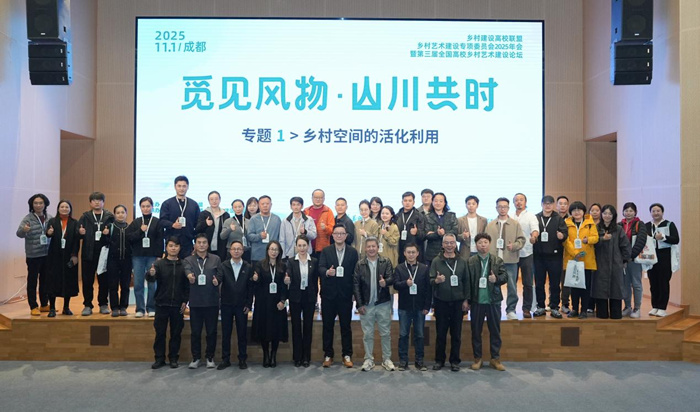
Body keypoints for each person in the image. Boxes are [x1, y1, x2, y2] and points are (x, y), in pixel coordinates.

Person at [318, 225, 359, 368]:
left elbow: (356, 274)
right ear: (333, 235)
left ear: (346, 236)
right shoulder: (326, 251)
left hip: (345, 295)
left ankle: (347, 355)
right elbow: (320, 268)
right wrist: (327, 272)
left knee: (345, 326)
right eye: (337, 233)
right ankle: (328, 355)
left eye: (342, 233)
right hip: (328, 295)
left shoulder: (353, 252)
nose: (339, 236)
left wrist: (354, 294)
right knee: (327, 326)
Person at [467, 233, 508, 372]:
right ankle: (477, 359)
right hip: (477, 301)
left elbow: (505, 277)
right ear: (476, 245)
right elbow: (467, 282)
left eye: (485, 242)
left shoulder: (497, 260)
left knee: (495, 331)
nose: (482, 245)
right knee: (476, 331)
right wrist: (467, 300)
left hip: (493, 301)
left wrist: (496, 279)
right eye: (480, 243)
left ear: (489, 244)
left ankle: (495, 359)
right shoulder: (471, 261)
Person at [354, 237, 395, 371]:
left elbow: (391, 277)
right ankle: (368, 360)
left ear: (378, 248)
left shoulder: (386, 261)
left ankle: (387, 359)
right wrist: (359, 304)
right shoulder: (360, 264)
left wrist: (385, 282)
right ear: (365, 249)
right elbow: (356, 285)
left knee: (385, 333)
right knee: (368, 335)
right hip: (366, 305)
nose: (371, 249)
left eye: (373, 246)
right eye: (369, 246)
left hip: (383, 303)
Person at [430, 233, 470, 371]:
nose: (449, 245)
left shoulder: (462, 261)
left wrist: (466, 300)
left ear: (455, 244)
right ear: (442, 245)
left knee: (456, 334)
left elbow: (466, 282)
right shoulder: (436, 261)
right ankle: (439, 360)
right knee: (441, 334)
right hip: (441, 301)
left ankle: (455, 361)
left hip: (458, 303)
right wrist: (436, 280)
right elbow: (430, 280)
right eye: (446, 243)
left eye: (452, 243)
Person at [148, 237, 189, 369]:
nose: (173, 248)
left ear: (180, 248)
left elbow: (187, 286)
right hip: (161, 304)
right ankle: (159, 358)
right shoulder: (159, 264)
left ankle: (173, 358)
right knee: (160, 333)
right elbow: (151, 278)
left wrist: (185, 300)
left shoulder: (184, 264)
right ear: (166, 247)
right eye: (171, 246)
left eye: (176, 246)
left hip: (178, 305)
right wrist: (151, 274)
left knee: (176, 333)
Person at [183, 234, 221, 369]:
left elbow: (220, 274)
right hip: (196, 302)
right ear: (195, 245)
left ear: (208, 244)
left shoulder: (216, 259)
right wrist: (189, 276)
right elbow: (187, 270)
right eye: (199, 242)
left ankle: (210, 357)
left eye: (204, 242)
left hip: (212, 301)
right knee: (195, 332)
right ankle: (196, 357)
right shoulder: (188, 260)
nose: (201, 245)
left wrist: (218, 281)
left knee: (211, 332)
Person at [485, 197, 525, 320]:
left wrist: (514, 246)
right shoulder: (490, 225)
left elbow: (521, 240)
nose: (502, 209)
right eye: (500, 207)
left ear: (508, 208)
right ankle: (493, 309)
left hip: (510, 260)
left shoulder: (515, 224)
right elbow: (485, 241)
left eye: (505, 207)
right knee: (492, 285)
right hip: (494, 261)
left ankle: (511, 310)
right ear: (496, 208)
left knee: (512, 286)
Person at [392, 243, 431, 371]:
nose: (411, 255)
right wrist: (405, 283)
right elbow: (396, 285)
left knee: (419, 335)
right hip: (404, 307)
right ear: (404, 253)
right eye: (408, 252)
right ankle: (403, 361)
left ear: (418, 253)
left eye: (413, 252)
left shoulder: (424, 268)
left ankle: (419, 361)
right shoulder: (399, 268)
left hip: (420, 307)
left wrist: (427, 306)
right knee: (403, 335)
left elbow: (428, 289)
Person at [217, 241, 254, 370]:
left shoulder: (248, 267)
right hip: (226, 305)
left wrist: (249, 304)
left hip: (242, 305)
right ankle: (225, 359)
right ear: (230, 251)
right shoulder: (224, 265)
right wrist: (216, 281)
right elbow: (219, 281)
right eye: (234, 249)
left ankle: (242, 359)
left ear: (243, 251)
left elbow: (250, 288)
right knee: (226, 333)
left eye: (239, 249)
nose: (236, 251)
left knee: (242, 334)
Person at [251, 241, 288, 367]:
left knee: (276, 330)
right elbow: (256, 284)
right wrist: (255, 279)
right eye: (271, 249)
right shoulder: (260, 265)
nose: (273, 252)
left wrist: (283, 301)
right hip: (263, 302)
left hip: (277, 303)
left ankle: (273, 355)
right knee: (264, 329)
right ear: (267, 250)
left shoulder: (283, 266)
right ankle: (266, 354)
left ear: (279, 252)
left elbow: (284, 286)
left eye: (276, 249)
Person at [126, 197, 164, 318]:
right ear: (140, 208)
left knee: (153, 283)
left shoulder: (157, 222)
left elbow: (160, 240)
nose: (146, 208)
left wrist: (159, 256)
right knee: (138, 284)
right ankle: (140, 309)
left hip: (152, 257)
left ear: (152, 207)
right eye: (143, 206)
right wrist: (140, 231)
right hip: (138, 257)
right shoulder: (136, 222)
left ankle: (151, 307)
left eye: (148, 206)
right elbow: (129, 238)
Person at [78, 192, 114, 316]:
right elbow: (77, 234)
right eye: (94, 200)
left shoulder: (109, 217)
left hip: (104, 254)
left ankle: (103, 304)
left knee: (104, 281)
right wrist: (80, 232)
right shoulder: (85, 217)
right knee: (87, 281)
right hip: (88, 253)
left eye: (99, 200)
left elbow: (115, 234)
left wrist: (108, 233)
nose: (97, 202)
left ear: (103, 202)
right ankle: (87, 305)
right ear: (90, 203)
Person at [16, 193, 51, 316]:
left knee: (45, 281)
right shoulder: (28, 219)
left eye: (41, 203)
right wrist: (24, 230)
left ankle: (44, 304)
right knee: (32, 281)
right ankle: (33, 306)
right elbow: (19, 234)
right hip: (33, 255)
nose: (38, 205)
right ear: (32, 205)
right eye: (35, 203)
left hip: (47, 254)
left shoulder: (49, 218)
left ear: (45, 204)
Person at [286, 235, 319, 367]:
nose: (302, 248)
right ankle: (297, 357)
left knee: (308, 327)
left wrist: (316, 297)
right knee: (296, 327)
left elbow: (316, 281)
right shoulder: (291, 261)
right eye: (299, 245)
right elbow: (288, 275)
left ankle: (306, 357)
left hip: (309, 298)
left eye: (304, 245)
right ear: (296, 247)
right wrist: (286, 280)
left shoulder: (314, 261)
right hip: (295, 298)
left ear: (308, 246)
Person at [533, 195, 568, 318]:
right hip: (539, 256)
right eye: (545, 203)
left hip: (555, 257)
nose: (547, 206)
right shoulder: (536, 218)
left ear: (553, 205)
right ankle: (540, 306)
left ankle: (554, 307)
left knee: (555, 284)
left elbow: (565, 233)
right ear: (541, 204)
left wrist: (562, 236)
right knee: (539, 283)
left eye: (550, 203)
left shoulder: (558, 219)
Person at [563, 201, 599, 319]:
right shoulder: (567, 223)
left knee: (585, 286)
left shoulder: (590, 223)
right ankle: (574, 309)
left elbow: (596, 237)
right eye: (574, 210)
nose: (577, 212)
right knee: (573, 287)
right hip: (573, 259)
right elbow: (566, 241)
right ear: (571, 212)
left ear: (584, 211)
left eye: (579, 210)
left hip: (587, 260)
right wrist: (575, 253)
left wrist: (588, 240)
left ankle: (584, 310)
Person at [594, 205, 631, 319]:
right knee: (600, 288)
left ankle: (615, 313)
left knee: (616, 288)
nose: (607, 216)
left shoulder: (618, 229)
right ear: (601, 215)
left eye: (610, 214)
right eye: (605, 213)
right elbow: (592, 243)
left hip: (616, 264)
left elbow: (625, 246)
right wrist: (602, 239)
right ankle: (602, 313)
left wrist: (624, 260)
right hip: (600, 263)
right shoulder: (596, 228)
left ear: (613, 215)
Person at [45, 200, 80, 317]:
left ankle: (66, 307)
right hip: (54, 256)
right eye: (62, 207)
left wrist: (74, 255)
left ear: (70, 209)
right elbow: (47, 234)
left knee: (68, 281)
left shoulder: (74, 222)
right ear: (58, 208)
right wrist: (49, 232)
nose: (64, 209)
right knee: (53, 281)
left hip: (69, 255)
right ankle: (52, 308)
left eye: (67, 207)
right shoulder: (52, 221)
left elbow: (76, 240)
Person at [645, 203, 680, 317]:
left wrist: (663, 237)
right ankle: (655, 306)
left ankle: (662, 307)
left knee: (663, 282)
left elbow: (676, 239)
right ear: (650, 213)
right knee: (653, 282)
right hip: (651, 257)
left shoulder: (669, 224)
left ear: (662, 212)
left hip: (665, 257)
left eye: (658, 211)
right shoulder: (647, 225)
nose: (656, 213)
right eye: (653, 211)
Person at [159, 176, 201, 259]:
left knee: (187, 265)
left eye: (184, 186)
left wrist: (196, 242)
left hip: (188, 242)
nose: (181, 188)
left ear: (187, 187)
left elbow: (197, 224)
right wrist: (172, 225)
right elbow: (162, 221)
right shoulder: (167, 203)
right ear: (175, 187)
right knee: (171, 266)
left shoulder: (194, 204)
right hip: (172, 242)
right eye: (179, 186)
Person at [512, 193, 539, 318]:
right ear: (513, 203)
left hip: (527, 253)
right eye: (516, 200)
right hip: (512, 254)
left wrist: (534, 237)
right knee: (512, 283)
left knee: (527, 283)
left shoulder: (530, 216)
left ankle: (527, 308)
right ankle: (511, 308)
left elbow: (535, 229)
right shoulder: (510, 216)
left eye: (521, 200)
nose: (519, 202)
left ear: (525, 202)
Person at [619, 202, 647, 318]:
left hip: (634, 260)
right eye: (626, 210)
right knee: (625, 284)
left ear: (635, 212)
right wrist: (623, 258)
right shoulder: (619, 225)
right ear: (623, 212)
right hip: (623, 260)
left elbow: (641, 241)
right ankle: (627, 307)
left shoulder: (640, 224)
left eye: (631, 211)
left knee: (636, 284)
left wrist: (631, 256)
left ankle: (637, 308)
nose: (628, 213)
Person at [105, 205, 133, 317]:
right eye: (118, 213)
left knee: (125, 285)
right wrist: (105, 235)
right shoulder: (110, 227)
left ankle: (123, 307)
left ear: (126, 214)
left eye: (122, 212)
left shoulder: (130, 228)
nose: (120, 215)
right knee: (113, 285)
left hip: (127, 261)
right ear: (115, 214)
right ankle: (115, 308)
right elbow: (104, 242)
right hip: (113, 261)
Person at [247, 195, 282, 265]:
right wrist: (259, 236)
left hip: (273, 256)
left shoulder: (277, 219)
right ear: (259, 205)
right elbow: (249, 236)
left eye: (267, 204)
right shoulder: (253, 219)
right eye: (262, 204)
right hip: (257, 256)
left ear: (271, 205)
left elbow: (280, 237)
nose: (265, 206)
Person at [424, 192, 458, 264]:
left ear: (445, 203)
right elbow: (427, 235)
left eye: (441, 201)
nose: (438, 203)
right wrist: (437, 233)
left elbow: (455, 232)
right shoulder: (427, 217)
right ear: (432, 202)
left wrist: (444, 234)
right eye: (436, 201)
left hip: (451, 251)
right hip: (433, 253)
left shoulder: (452, 215)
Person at [195, 191, 230, 261]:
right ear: (208, 201)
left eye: (216, 199)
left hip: (221, 247)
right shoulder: (203, 214)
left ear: (220, 200)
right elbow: (197, 229)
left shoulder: (225, 215)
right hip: (206, 246)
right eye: (211, 199)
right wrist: (205, 223)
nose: (214, 201)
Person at [304, 189, 335, 258]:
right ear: (312, 198)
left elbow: (332, 231)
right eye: (316, 197)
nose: (318, 199)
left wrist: (325, 228)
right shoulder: (306, 211)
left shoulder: (328, 211)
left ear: (324, 199)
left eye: (320, 198)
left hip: (322, 249)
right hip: (307, 248)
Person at [396, 191, 426, 263]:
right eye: (405, 201)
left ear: (413, 202)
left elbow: (424, 235)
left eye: (410, 201)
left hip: (415, 250)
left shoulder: (419, 216)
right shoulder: (397, 216)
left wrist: (417, 232)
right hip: (400, 249)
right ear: (402, 202)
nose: (407, 203)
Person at [457, 195, 487, 260]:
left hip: (479, 250)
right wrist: (463, 236)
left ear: (477, 205)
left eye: (473, 204)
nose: (471, 206)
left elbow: (486, 236)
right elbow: (456, 237)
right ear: (466, 205)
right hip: (465, 252)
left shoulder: (483, 220)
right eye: (469, 204)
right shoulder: (460, 220)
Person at [557, 195, 572, 314]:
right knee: (554, 280)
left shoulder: (571, 221)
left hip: (568, 254)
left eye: (565, 204)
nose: (562, 206)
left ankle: (565, 303)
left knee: (567, 281)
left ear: (568, 206)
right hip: (554, 254)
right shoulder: (553, 219)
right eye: (560, 203)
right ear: (556, 206)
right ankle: (553, 303)